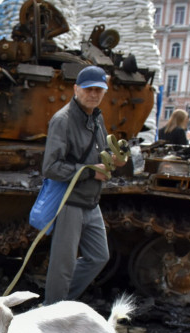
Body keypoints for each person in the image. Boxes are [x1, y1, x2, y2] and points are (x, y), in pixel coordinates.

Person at [42, 65, 125, 305]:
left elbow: (101, 153)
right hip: (70, 202)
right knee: (62, 266)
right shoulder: (63, 120)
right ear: (76, 89)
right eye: (89, 89)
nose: (94, 94)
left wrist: (114, 159)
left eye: (99, 89)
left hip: (90, 201)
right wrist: (90, 173)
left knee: (99, 257)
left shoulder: (96, 118)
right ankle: (51, 314)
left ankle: (62, 303)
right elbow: (50, 167)